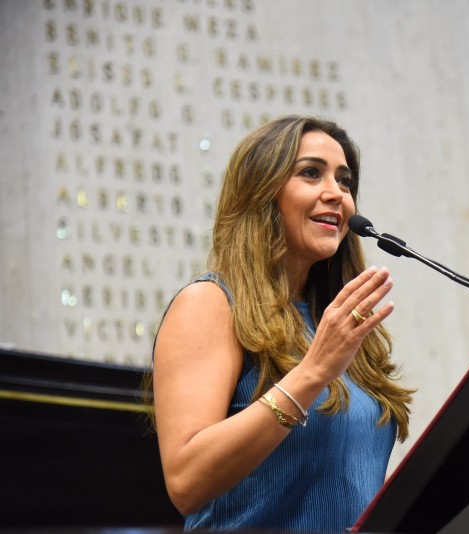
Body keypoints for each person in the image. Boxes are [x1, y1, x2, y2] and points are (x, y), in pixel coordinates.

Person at [146, 115, 413, 531]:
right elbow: (186, 482)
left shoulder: (333, 321)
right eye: (311, 173)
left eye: (344, 181)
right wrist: (314, 372)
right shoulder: (211, 304)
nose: (337, 194)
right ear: (262, 193)